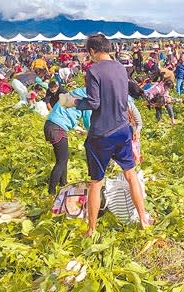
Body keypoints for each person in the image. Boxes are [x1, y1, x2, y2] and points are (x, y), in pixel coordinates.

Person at [66, 34, 151, 236]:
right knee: (130, 175)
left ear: (93, 51)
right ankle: (143, 218)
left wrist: (74, 102)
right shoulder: (121, 68)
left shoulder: (93, 70)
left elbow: (94, 103)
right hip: (123, 129)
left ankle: (92, 229)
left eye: (89, 53)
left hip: (102, 133)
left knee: (96, 182)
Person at [44, 100, 86, 195]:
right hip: (57, 129)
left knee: (64, 158)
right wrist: (89, 132)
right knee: (61, 161)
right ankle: (51, 192)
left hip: (50, 125)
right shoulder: (87, 100)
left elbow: (63, 113)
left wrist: (76, 127)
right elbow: (88, 121)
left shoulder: (71, 95)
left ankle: (63, 183)